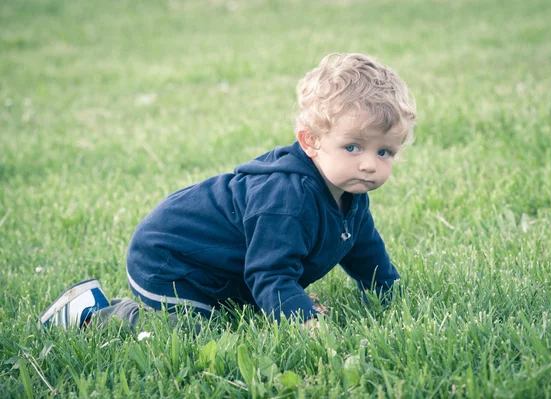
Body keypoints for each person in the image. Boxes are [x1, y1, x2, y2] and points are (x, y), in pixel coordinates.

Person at [39, 53, 417, 331]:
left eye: (384, 152)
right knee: (197, 330)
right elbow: (269, 273)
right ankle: (97, 315)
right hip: (171, 260)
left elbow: (364, 249)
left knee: (248, 307)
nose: (369, 164)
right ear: (311, 141)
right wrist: (302, 320)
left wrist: (387, 291)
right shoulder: (288, 198)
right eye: (353, 147)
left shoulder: (350, 190)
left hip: (219, 265)